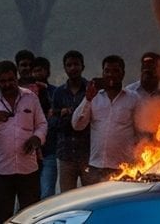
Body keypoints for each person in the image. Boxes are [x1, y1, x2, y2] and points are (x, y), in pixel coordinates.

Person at [0, 60, 45, 223]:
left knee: (31, 216)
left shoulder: (30, 98)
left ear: (16, 78)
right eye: (3, 81)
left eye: (11, 80)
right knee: (4, 217)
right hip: (2, 172)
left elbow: (42, 124)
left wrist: (37, 137)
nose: (7, 84)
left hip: (28, 169)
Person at [71, 55, 140, 184]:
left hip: (123, 168)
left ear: (123, 74)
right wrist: (87, 99)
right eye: (107, 71)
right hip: (96, 166)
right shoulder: (94, 97)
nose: (111, 75)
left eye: (115, 71)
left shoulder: (134, 98)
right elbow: (77, 125)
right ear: (102, 73)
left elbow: (140, 130)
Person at [49, 51, 89, 192]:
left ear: (82, 66)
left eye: (76, 64)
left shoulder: (91, 90)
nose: (73, 68)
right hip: (65, 155)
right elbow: (52, 122)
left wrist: (67, 116)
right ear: (64, 68)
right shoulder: (59, 93)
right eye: (69, 65)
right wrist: (67, 118)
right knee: (67, 198)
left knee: (91, 196)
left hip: (87, 154)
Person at [30, 57, 57, 199]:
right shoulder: (26, 94)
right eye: (34, 71)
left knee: (47, 193)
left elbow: (56, 116)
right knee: (29, 195)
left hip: (49, 150)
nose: (37, 74)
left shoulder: (54, 92)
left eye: (40, 70)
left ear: (47, 72)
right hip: (30, 152)